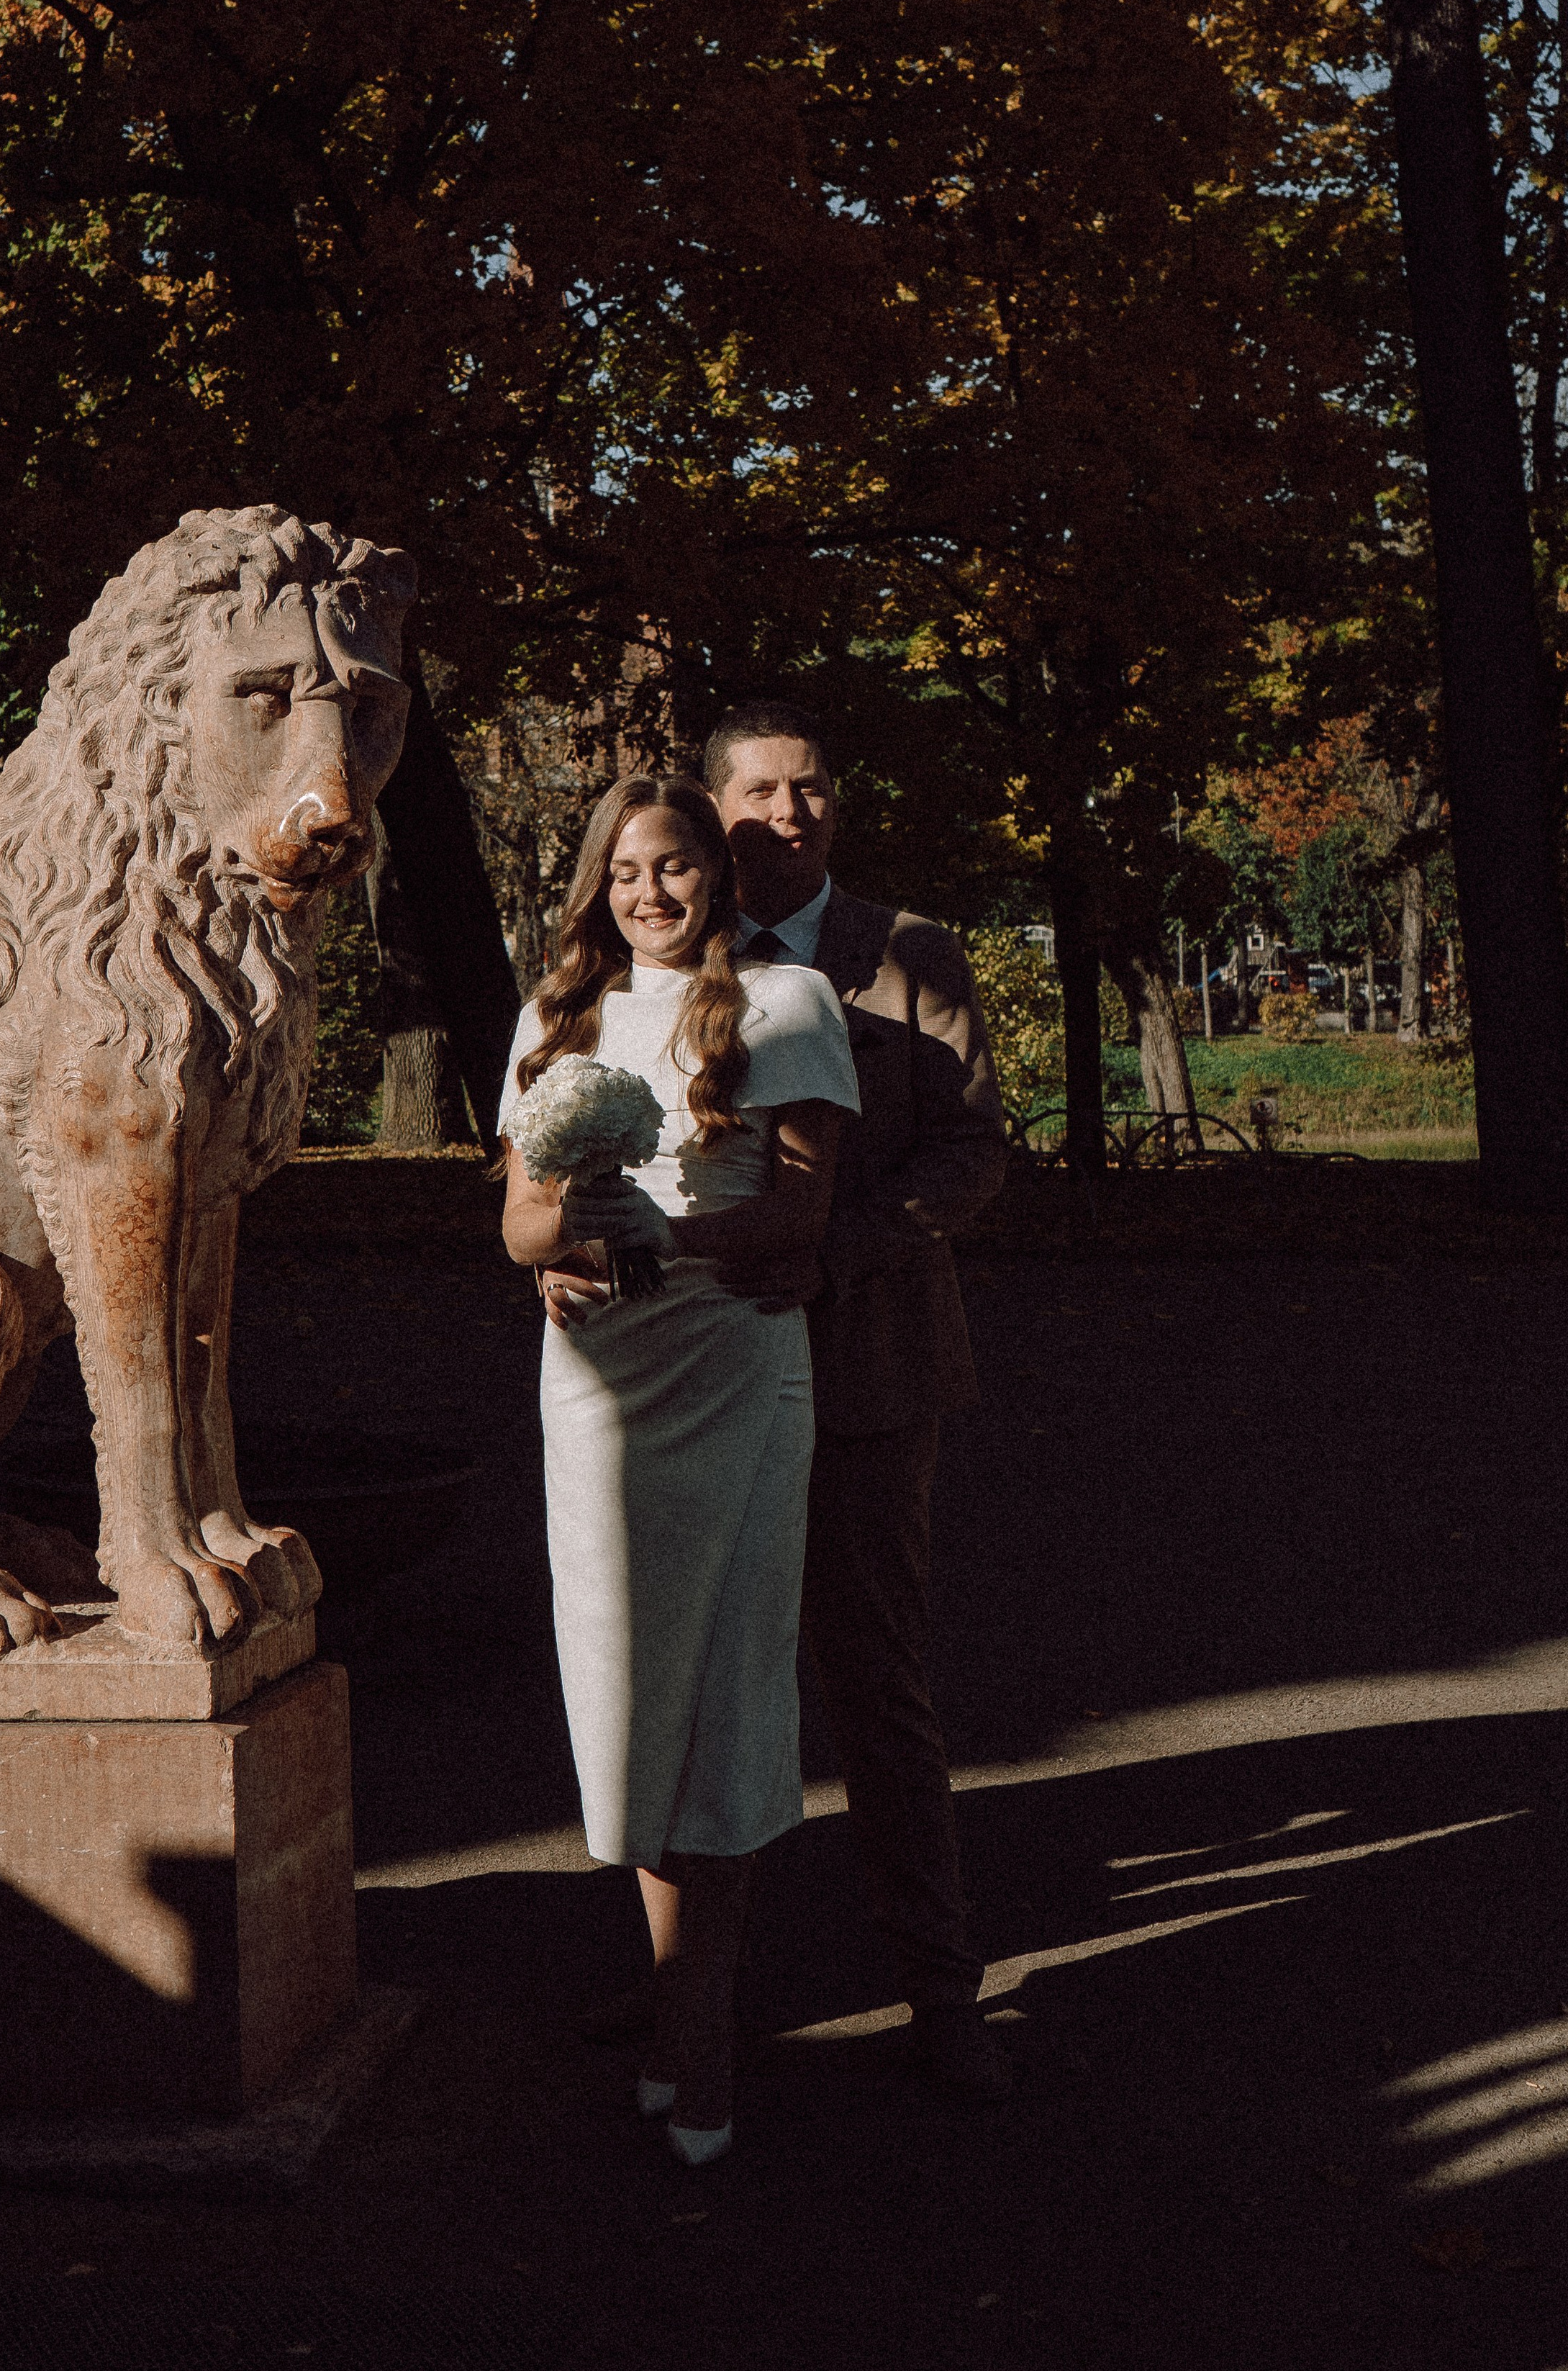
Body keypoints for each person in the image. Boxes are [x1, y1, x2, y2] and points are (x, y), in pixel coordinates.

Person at [549, 705, 1010, 2097]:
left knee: (875, 1683)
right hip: (677, 1379)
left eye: (811, 791)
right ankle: (690, 1999)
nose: (788, 815)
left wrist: (835, 1254)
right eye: (759, 794)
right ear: (713, 812)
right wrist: (566, 1261)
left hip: (863, 1366)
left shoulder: (900, 955)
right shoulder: (635, 975)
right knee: (676, 1683)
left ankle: (940, 1991)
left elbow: (973, 1151)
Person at [501, 774, 859, 2164]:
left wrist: (658, 1253)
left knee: (725, 1676)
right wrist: (563, 1261)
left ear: (718, 874)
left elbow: (801, 1217)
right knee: (625, 1692)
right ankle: (669, 1993)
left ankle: (701, 2015)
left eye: (677, 866)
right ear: (597, 880)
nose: (651, 892)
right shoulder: (554, 1020)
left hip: (734, 1372)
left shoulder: (787, 1006)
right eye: (626, 869)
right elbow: (519, 1230)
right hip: (596, 1393)